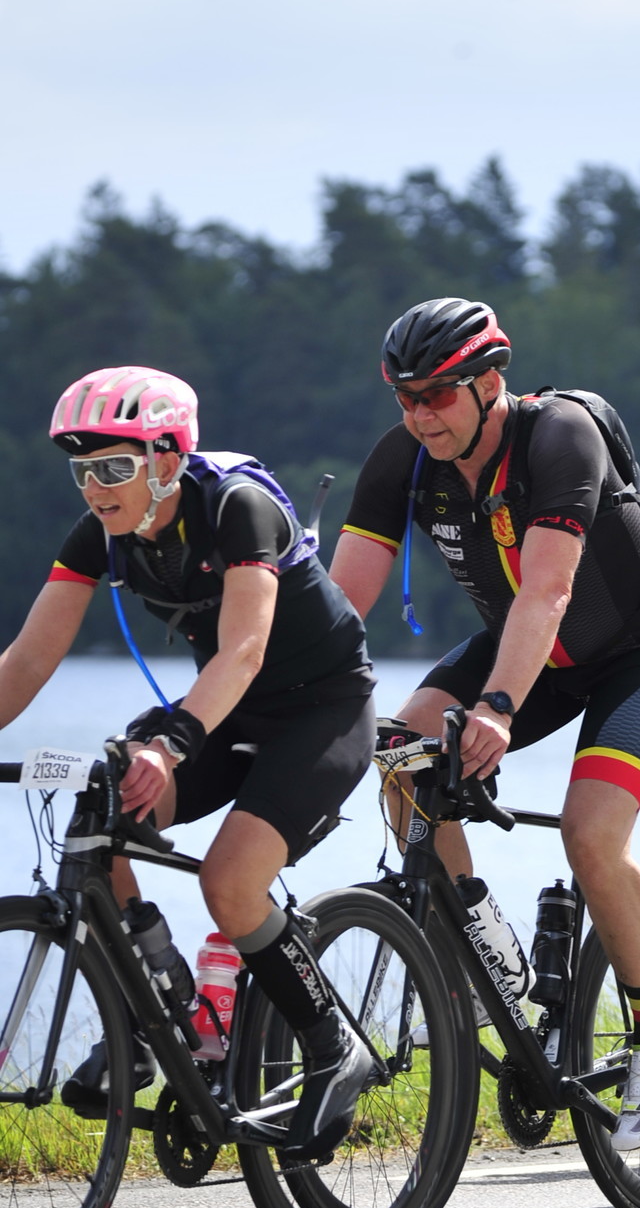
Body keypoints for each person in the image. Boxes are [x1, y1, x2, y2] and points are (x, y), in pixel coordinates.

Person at [328, 297, 640, 1150]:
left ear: (489, 382)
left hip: (638, 651)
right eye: (405, 397)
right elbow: (340, 602)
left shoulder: (559, 436)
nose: (419, 415)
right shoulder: (403, 459)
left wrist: (497, 708)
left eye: (437, 394)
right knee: (403, 756)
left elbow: (549, 589)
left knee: (590, 835)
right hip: (529, 652)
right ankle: (490, 962)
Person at [0, 366, 378, 1158]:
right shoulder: (100, 535)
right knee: (101, 811)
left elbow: (243, 650)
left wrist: (170, 744)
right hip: (225, 711)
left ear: (166, 460)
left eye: (114, 467)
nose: (95, 488)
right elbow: (28, 660)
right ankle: (157, 1005)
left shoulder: (238, 507)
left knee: (229, 882)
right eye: (82, 470)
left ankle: (332, 1044)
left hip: (322, 709)